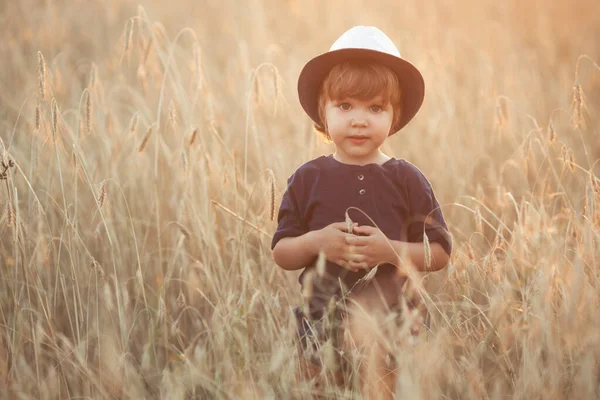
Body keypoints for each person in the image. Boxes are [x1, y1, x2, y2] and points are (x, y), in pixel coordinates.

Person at [271, 26, 452, 399]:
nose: (359, 119)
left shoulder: (408, 178)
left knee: (384, 388)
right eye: (345, 106)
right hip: (320, 317)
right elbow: (282, 252)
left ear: (394, 116)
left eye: (375, 108)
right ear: (323, 112)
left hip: (393, 320)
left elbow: (441, 253)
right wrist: (318, 242)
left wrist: (391, 251)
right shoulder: (307, 179)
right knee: (319, 387)